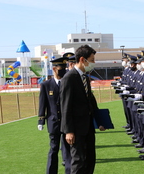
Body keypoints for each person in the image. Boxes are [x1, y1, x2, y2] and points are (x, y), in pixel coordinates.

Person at [60, 44, 105, 174]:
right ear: (82, 60)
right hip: (76, 129)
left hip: (88, 127)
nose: (93, 63)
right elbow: (65, 106)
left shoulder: (85, 77)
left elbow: (91, 102)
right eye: (91, 60)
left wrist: (100, 121)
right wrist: (68, 131)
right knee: (78, 162)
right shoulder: (69, 78)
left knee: (90, 160)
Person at [38, 57, 71, 174]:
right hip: (53, 122)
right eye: (61, 68)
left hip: (66, 123)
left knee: (67, 150)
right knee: (53, 149)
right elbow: (43, 104)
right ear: (54, 69)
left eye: (64, 68)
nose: (63, 70)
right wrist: (41, 120)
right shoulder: (46, 85)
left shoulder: (68, 83)